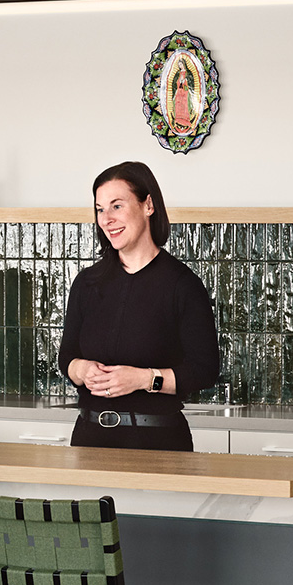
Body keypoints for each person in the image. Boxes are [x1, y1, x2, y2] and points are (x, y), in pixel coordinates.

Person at [58, 160, 221, 453]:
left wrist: (145, 379)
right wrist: (81, 369)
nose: (106, 219)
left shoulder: (182, 285)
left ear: (148, 205)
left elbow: (204, 370)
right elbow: (67, 357)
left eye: (117, 206)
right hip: (89, 441)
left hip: (158, 444)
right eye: (100, 209)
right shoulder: (87, 283)